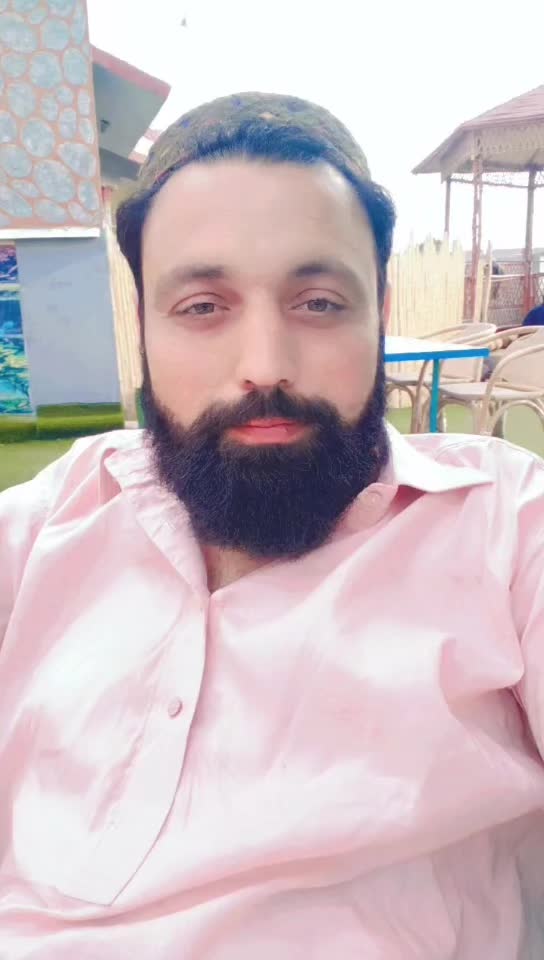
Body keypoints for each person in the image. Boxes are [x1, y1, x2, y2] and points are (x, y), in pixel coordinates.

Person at [1, 93, 544, 959]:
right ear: (141, 325)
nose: (264, 366)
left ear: (380, 311)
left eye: (319, 303)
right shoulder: (49, 521)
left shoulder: (506, 528)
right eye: (202, 307)